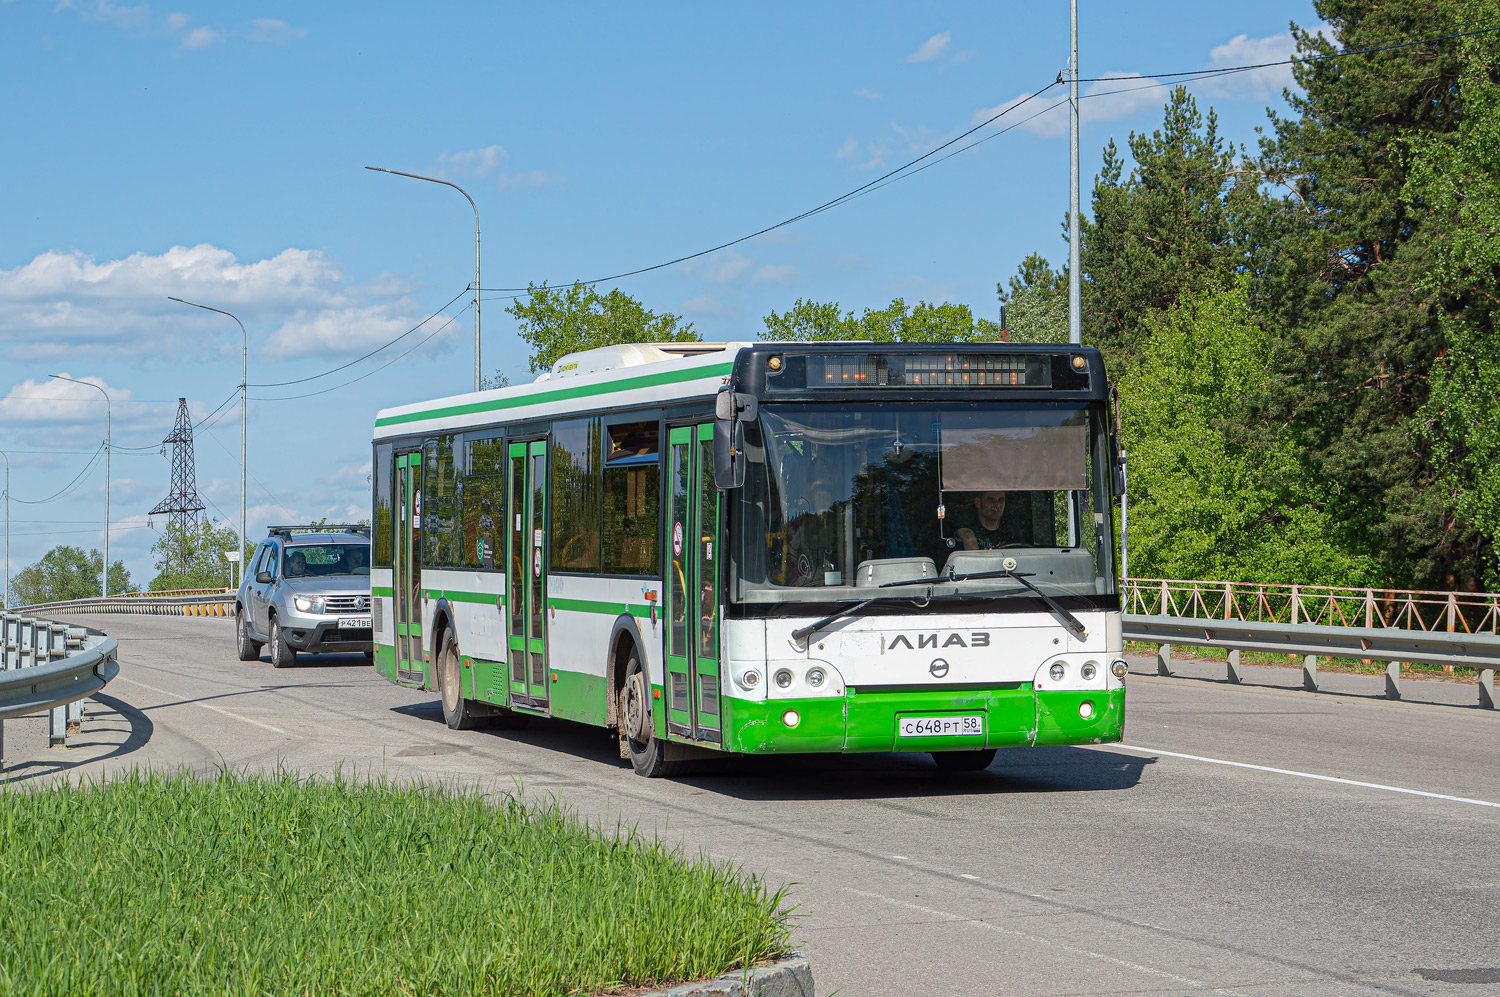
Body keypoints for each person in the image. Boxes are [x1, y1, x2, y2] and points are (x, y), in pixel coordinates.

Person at [955, 491, 1021, 550]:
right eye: (991, 500)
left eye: (1000, 500)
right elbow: (968, 539)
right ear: (978, 503)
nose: (996, 505)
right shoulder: (966, 522)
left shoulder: (1011, 529)